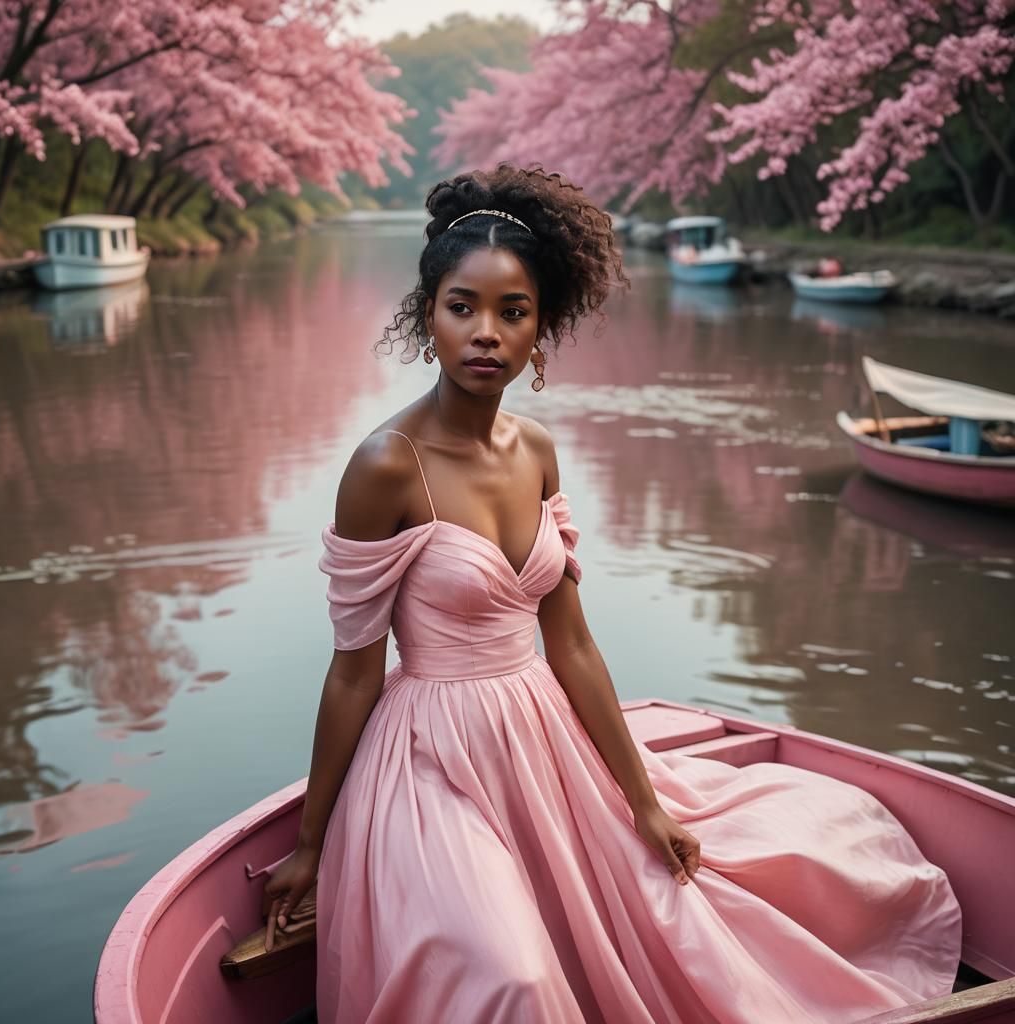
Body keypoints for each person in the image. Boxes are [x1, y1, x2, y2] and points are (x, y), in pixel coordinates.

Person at [263, 164, 961, 1023]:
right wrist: (310, 843)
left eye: (512, 312)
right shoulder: (384, 466)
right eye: (462, 306)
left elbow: (574, 645)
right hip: (430, 756)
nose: (486, 333)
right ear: (427, 316)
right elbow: (352, 674)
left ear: (541, 330)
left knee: (674, 895)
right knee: (510, 978)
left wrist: (642, 801)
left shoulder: (538, 449)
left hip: (545, 734)